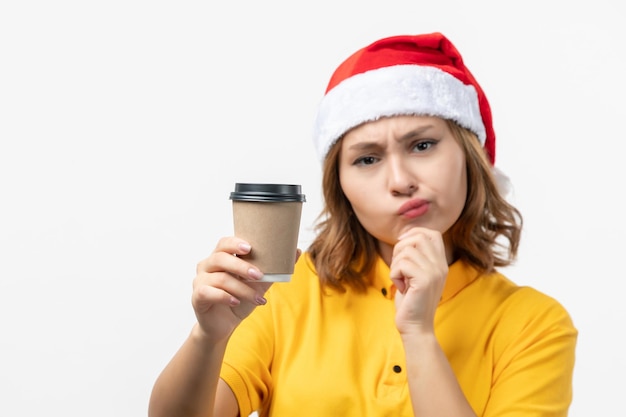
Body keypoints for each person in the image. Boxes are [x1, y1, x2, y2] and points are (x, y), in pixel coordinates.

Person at [148, 32, 577, 417]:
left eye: (422, 144)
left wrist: (419, 335)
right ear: (342, 188)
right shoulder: (285, 291)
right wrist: (208, 337)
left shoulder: (535, 325)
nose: (400, 181)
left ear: (472, 156)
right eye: (367, 159)